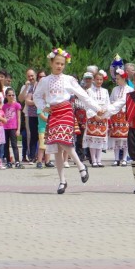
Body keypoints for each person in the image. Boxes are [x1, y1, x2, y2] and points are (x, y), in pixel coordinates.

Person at [34, 48, 102, 194]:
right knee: (56, 149)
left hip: (65, 111)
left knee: (63, 140)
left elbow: (83, 95)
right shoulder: (44, 81)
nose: (59, 66)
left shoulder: (68, 79)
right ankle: (62, 181)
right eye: (57, 63)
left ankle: (81, 166)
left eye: (62, 64)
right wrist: (44, 107)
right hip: (53, 112)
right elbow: (37, 96)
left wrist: (96, 108)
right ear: (51, 63)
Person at [84, 71, 111, 168]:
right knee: (92, 139)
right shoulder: (89, 91)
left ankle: (99, 160)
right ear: (94, 80)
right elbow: (87, 104)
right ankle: (93, 160)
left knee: (100, 139)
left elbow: (108, 103)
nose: (99, 81)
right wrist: (94, 115)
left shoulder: (105, 91)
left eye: (101, 79)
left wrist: (104, 114)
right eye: (97, 79)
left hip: (102, 116)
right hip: (93, 116)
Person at [109, 68, 133, 166]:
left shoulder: (130, 89)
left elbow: (132, 103)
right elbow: (110, 101)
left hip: (125, 116)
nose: (117, 80)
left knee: (125, 138)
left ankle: (124, 158)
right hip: (115, 116)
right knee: (116, 139)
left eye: (118, 78)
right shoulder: (115, 89)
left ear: (124, 79)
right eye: (116, 79)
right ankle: (116, 158)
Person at [18, 68, 39, 162]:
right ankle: (31, 155)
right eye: (29, 76)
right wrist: (26, 88)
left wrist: (32, 101)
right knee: (31, 135)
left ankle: (39, 156)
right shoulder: (25, 87)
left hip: (41, 113)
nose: (30, 78)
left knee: (41, 135)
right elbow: (21, 99)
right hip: (28, 114)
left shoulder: (40, 85)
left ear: (35, 75)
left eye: (32, 75)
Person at [2, 88, 22, 168]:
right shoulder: (4, 106)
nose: (11, 96)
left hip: (13, 127)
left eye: (13, 95)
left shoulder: (17, 105)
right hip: (5, 128)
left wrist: (18, 129)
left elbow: (19, 118)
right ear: (6, 96)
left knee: (14, 145)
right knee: (6, 145)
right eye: (9, 95)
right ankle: (8, 162)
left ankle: (17, 161)